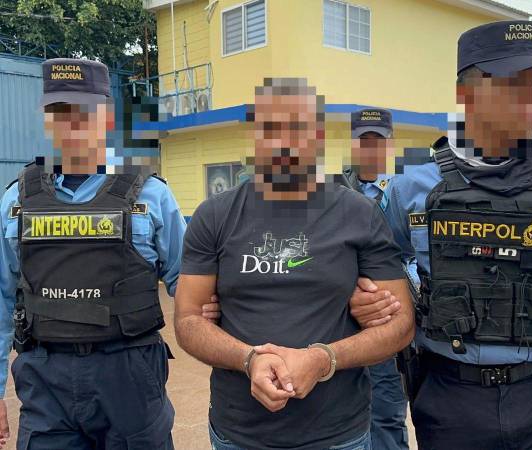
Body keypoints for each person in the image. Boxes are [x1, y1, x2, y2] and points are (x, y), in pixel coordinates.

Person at [351, 21, 532, 449]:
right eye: (508, 83)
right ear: (464, 93)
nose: (527, 99)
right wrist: (374, 298)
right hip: (450, 398)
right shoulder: (413, 189)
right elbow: (376, 264)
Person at [174, 77, 415, 450]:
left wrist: (325, 358)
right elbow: (188, 320)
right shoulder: (214, 216)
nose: (284, 142)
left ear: (317, 136)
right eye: (271, 129)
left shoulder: (359, 214)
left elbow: (400, 324)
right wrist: (248, 359)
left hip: (338, 435)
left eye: (297, 128)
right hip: (239, 433)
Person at [0, 57, 218, 450]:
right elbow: (1, 296)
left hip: (129, 375)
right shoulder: (17, 199)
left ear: (106, 117)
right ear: (47, 120)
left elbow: (189, 285)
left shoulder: (151, 194)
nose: (71, 124)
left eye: (83, 112)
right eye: (59, 112)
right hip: (46, 381)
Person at [341, 108, 409, 450]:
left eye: (377, 141)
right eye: (363, 141)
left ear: (390, 144)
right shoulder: (333, 190)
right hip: (342, 321)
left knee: (386, 415)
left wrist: (389, 294)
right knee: (342, 417)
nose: (370, 149)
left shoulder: (406, 191)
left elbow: (418, 254)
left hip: (389, 317)